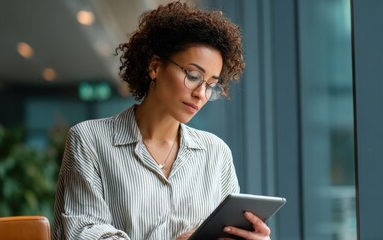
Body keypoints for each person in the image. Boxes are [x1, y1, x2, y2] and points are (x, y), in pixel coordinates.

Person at [52, 2, 271, 239]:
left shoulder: (216, 153)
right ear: (155, 67)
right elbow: (82, 232)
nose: (201, 93)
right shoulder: (90, 140)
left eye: (210, 85)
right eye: (193, 75)